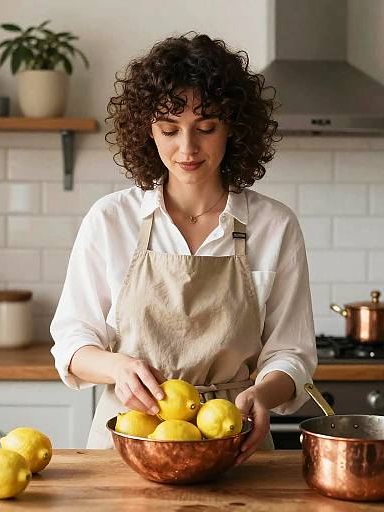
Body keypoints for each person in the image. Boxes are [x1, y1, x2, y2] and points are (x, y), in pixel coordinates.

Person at [50, 32, 317, 464]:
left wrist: (262, 394)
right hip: (128, 445)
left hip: (233, 441)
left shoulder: (275, 225)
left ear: (234, 128)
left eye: (206, 128)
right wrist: (117, 367)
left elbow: (292, 351)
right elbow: (72, 341)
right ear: (147, 131)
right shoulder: (110, 220)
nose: (187, 148)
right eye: (169, 129)